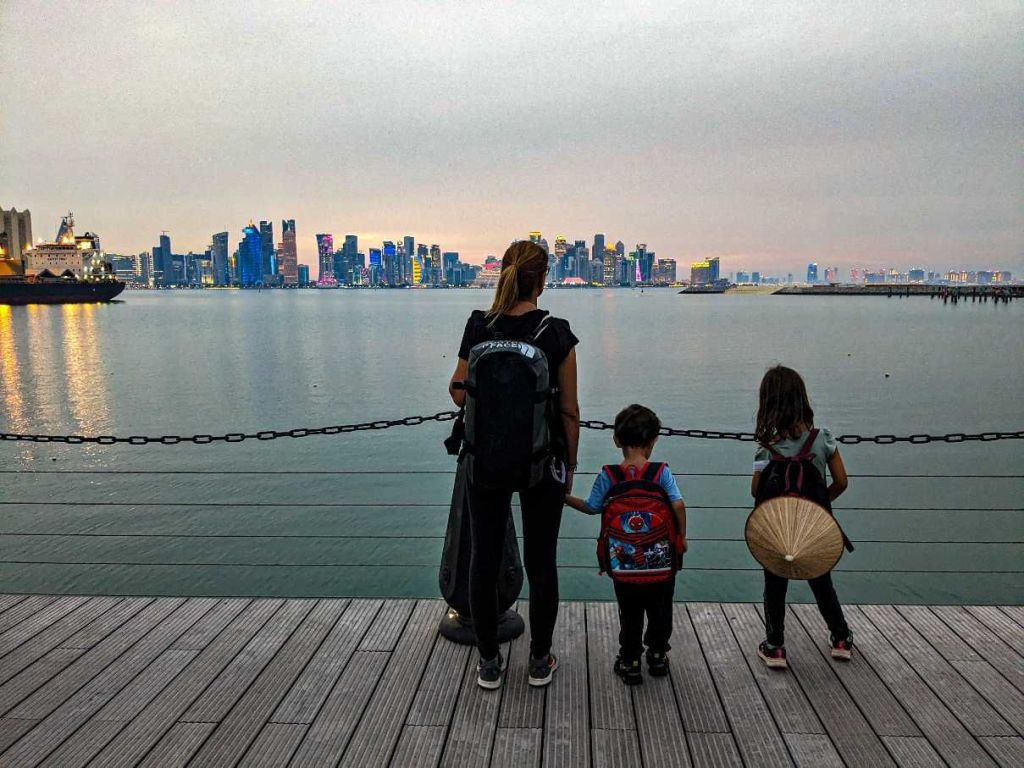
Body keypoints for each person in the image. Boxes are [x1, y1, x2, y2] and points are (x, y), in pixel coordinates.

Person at [449, 240, 580, 690]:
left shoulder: (478, 325)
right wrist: (570, 465)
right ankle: (540, 660)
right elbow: (569, 411)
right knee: (542, 563)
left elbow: (458, 393)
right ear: (541, 281)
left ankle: (489, 663)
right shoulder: (555, 333)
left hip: (484, 459)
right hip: (543, 462)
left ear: (503, 273)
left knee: (483, 561)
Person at [565, 404, 687, 685]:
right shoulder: (660, 473)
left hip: (623, 562)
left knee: (630, 612)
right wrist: (682, 537)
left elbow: (592, 507)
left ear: (616, 439)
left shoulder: (609, 476)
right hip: (661, 561)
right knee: (660, 609)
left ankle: (630, 661)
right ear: (654, 440)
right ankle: (657, 655)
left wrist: (564, 497)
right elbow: (678, 505)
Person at [751, 365, 853, 668]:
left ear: (767, 404)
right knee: (822, 582)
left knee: (774, 584)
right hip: (813, 529)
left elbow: (755, 491)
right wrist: (817, 507)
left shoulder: (766, 449)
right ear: (802, 400)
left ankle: (775, 646)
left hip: (778, 531)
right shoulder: (822, 439)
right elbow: (842, 482)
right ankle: (840, 639)